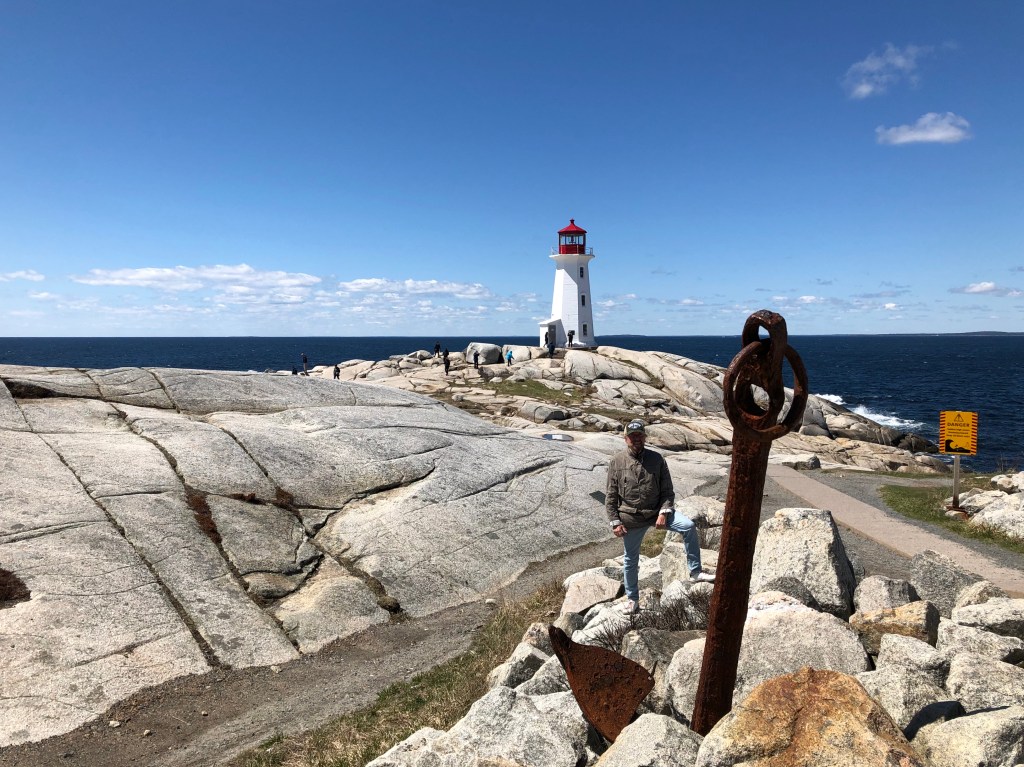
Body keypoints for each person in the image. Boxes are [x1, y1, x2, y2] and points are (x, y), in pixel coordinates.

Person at [605, 419, 713, 614]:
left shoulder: (657, 459)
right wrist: (615, 522)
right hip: (631, 518)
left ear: (645, 437)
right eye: (632, 436)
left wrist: (664, 512)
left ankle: (696, 572)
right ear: (625, 439)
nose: (636, 439)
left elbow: (668, 492)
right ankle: (632, 600)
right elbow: (611, 496)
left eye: (640, 435)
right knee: (630, 559)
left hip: (656, 512)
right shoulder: (617, 462)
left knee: (688, 526)